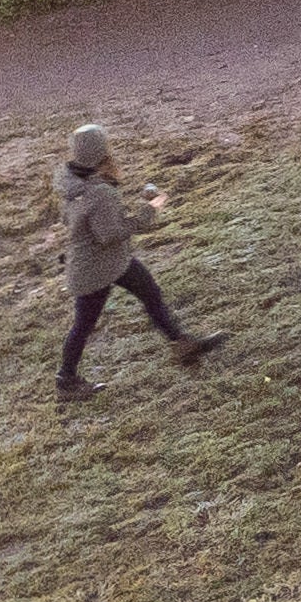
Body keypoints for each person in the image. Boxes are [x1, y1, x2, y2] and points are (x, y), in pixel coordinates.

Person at [53, 124, 225, 399]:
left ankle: (181, 343)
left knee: (150, 293)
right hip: (95, 270)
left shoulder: (72, 181)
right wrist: (149, 211)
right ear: (100, 152)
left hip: (106, 262)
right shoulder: (98, 192)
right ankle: (66, 381)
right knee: (84, 323)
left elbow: (80, 220)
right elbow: (110, 234)